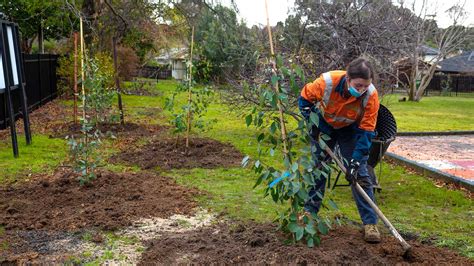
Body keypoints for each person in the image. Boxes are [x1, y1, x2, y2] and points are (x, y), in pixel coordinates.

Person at [298, 57, 381, 243]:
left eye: (365, 86)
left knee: (360, 174)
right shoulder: (327, 82)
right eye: (358, 85)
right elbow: (304, 100)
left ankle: (370, 224)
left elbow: (367, 131)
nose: (361, 91)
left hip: (350, 129)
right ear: (348, 78)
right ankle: (309, 214)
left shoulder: (371, 95)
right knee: (318, 169)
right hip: (324, 125)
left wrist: (355, 161)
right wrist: (314, 126)